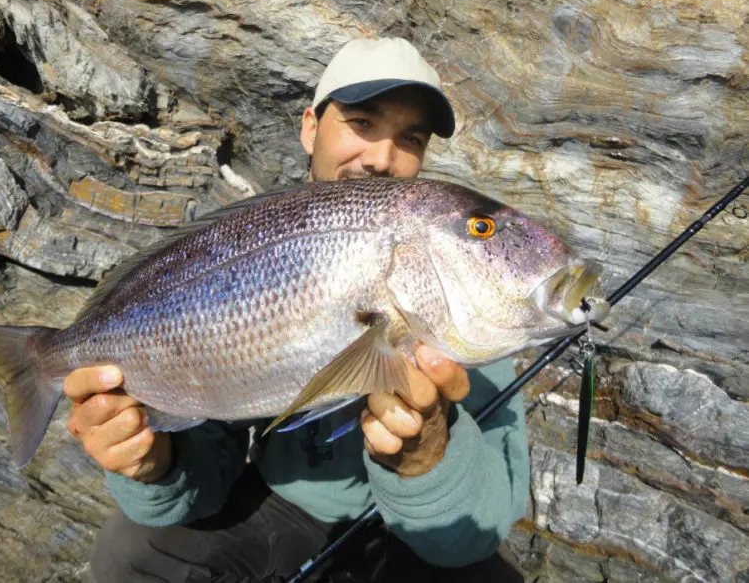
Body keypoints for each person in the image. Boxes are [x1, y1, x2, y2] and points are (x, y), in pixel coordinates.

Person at [68, 38, 529, 582]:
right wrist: (154, 462)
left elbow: (488, 520)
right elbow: (208, 454)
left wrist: (426, 459)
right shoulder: (250, 244)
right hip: (284, 510)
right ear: (311, 127)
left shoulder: (464, 299)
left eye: (411, 138)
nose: (384, 158)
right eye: (362, 122)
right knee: (128, 553)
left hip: (414, 541)